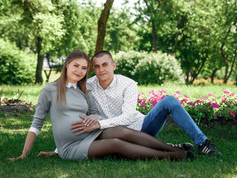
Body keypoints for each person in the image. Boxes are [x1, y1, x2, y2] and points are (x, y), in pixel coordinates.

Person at [7, 50, 192, 161]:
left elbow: (95, 114)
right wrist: (25, 154)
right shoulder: (50, 90)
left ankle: (172, 148)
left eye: (83, 68)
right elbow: (36, 124)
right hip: (71, 146)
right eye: (75, 66)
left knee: (122, 131)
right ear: (66, 66)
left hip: (90, 132)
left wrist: (94, 121)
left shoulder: (84, 90)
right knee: (115, 143)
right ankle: (174, 155)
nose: (80, 71)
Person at [80, 50, 221, 156]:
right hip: (111, 136)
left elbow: (128, 117)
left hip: (141, 128)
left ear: (114, 66)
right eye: (97, 66)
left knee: (169, 101)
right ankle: (170, 146)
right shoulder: (88, 86)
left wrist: (100, 124)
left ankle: (203, 143)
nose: (101, 69)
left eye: (105, 65)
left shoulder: (127, 84)